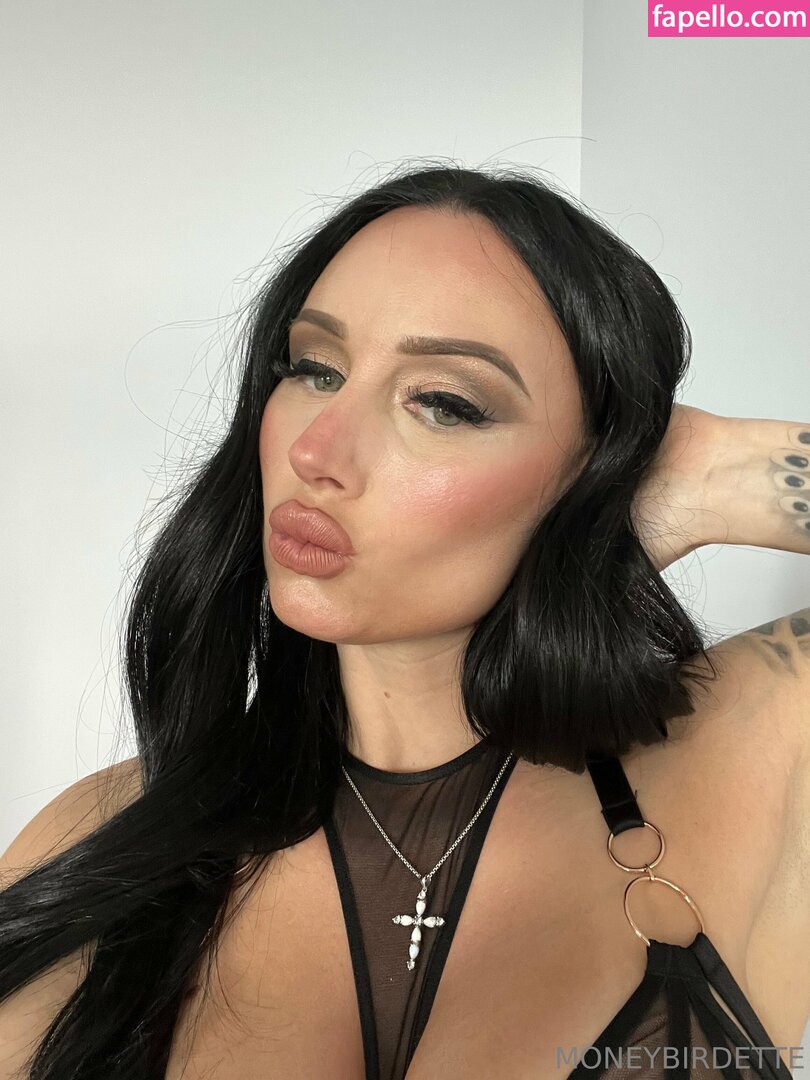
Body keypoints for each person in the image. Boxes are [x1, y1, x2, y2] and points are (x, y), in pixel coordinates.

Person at [0, 163, 807, 1079]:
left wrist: (709, 472)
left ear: (592, 469)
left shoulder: (756, 750)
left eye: (443, 403)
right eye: (315, 369)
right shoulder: (98, 846)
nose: (315, 452)